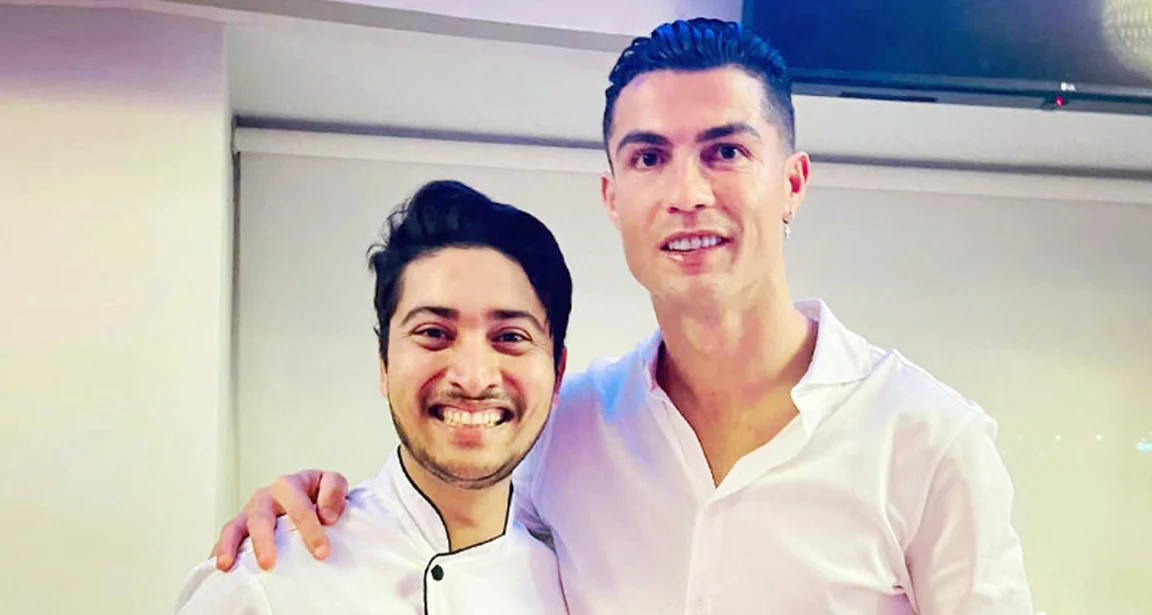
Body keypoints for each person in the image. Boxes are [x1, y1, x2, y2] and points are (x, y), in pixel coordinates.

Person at [210, 18, 1034, 614]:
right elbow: (441, 508)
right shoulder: (564, 430)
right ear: (613, 195)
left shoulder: (928, 439)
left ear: (792, 182)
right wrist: (312, 503)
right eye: (649, 157)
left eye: (726, 150)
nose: (687, 192)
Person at [175, 180, 573, 614]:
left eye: (511, 337)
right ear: (384, 363)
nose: (473, 378)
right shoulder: (265, 581)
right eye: (433, 333)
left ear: (557, 375)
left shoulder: (568, 588)